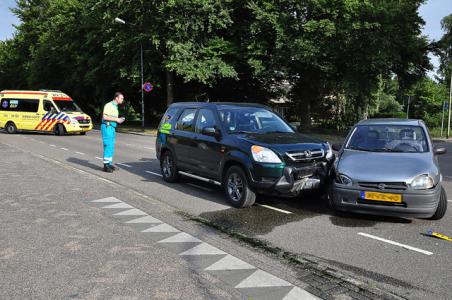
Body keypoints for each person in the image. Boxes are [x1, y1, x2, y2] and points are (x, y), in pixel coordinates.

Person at [101, 92, 125, 172]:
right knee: (108, 145)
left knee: (111, 146)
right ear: (116, 98)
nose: (122, 100)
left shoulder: (115, 106)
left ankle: (109, 163)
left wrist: (118, 120)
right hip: (107, 126)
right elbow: (104, 117)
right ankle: (106, 165)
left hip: (112, 127)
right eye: (121, 98)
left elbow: (111, 117)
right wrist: (117, 119)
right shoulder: (109, 105)